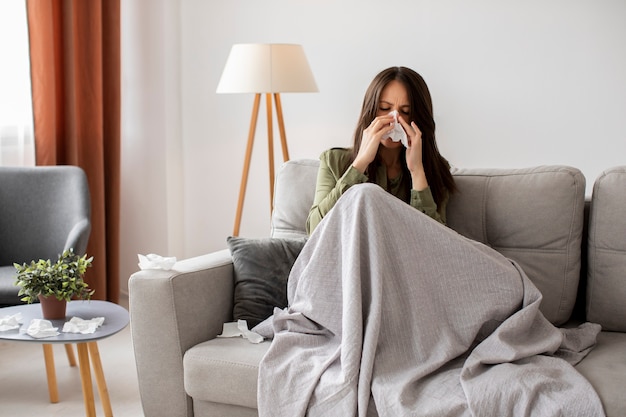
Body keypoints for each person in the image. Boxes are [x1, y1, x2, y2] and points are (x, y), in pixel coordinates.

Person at [306, 66, 457, 234]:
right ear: (370, 111)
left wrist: (417, 171)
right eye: (384, 108)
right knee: (366, 192)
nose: (394, 120)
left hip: (403, 259)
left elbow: (438, 244)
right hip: (353, 257)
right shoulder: (333, 160)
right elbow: (315, 230)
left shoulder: (436, 170)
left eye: (405, 112)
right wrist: (360, 164)